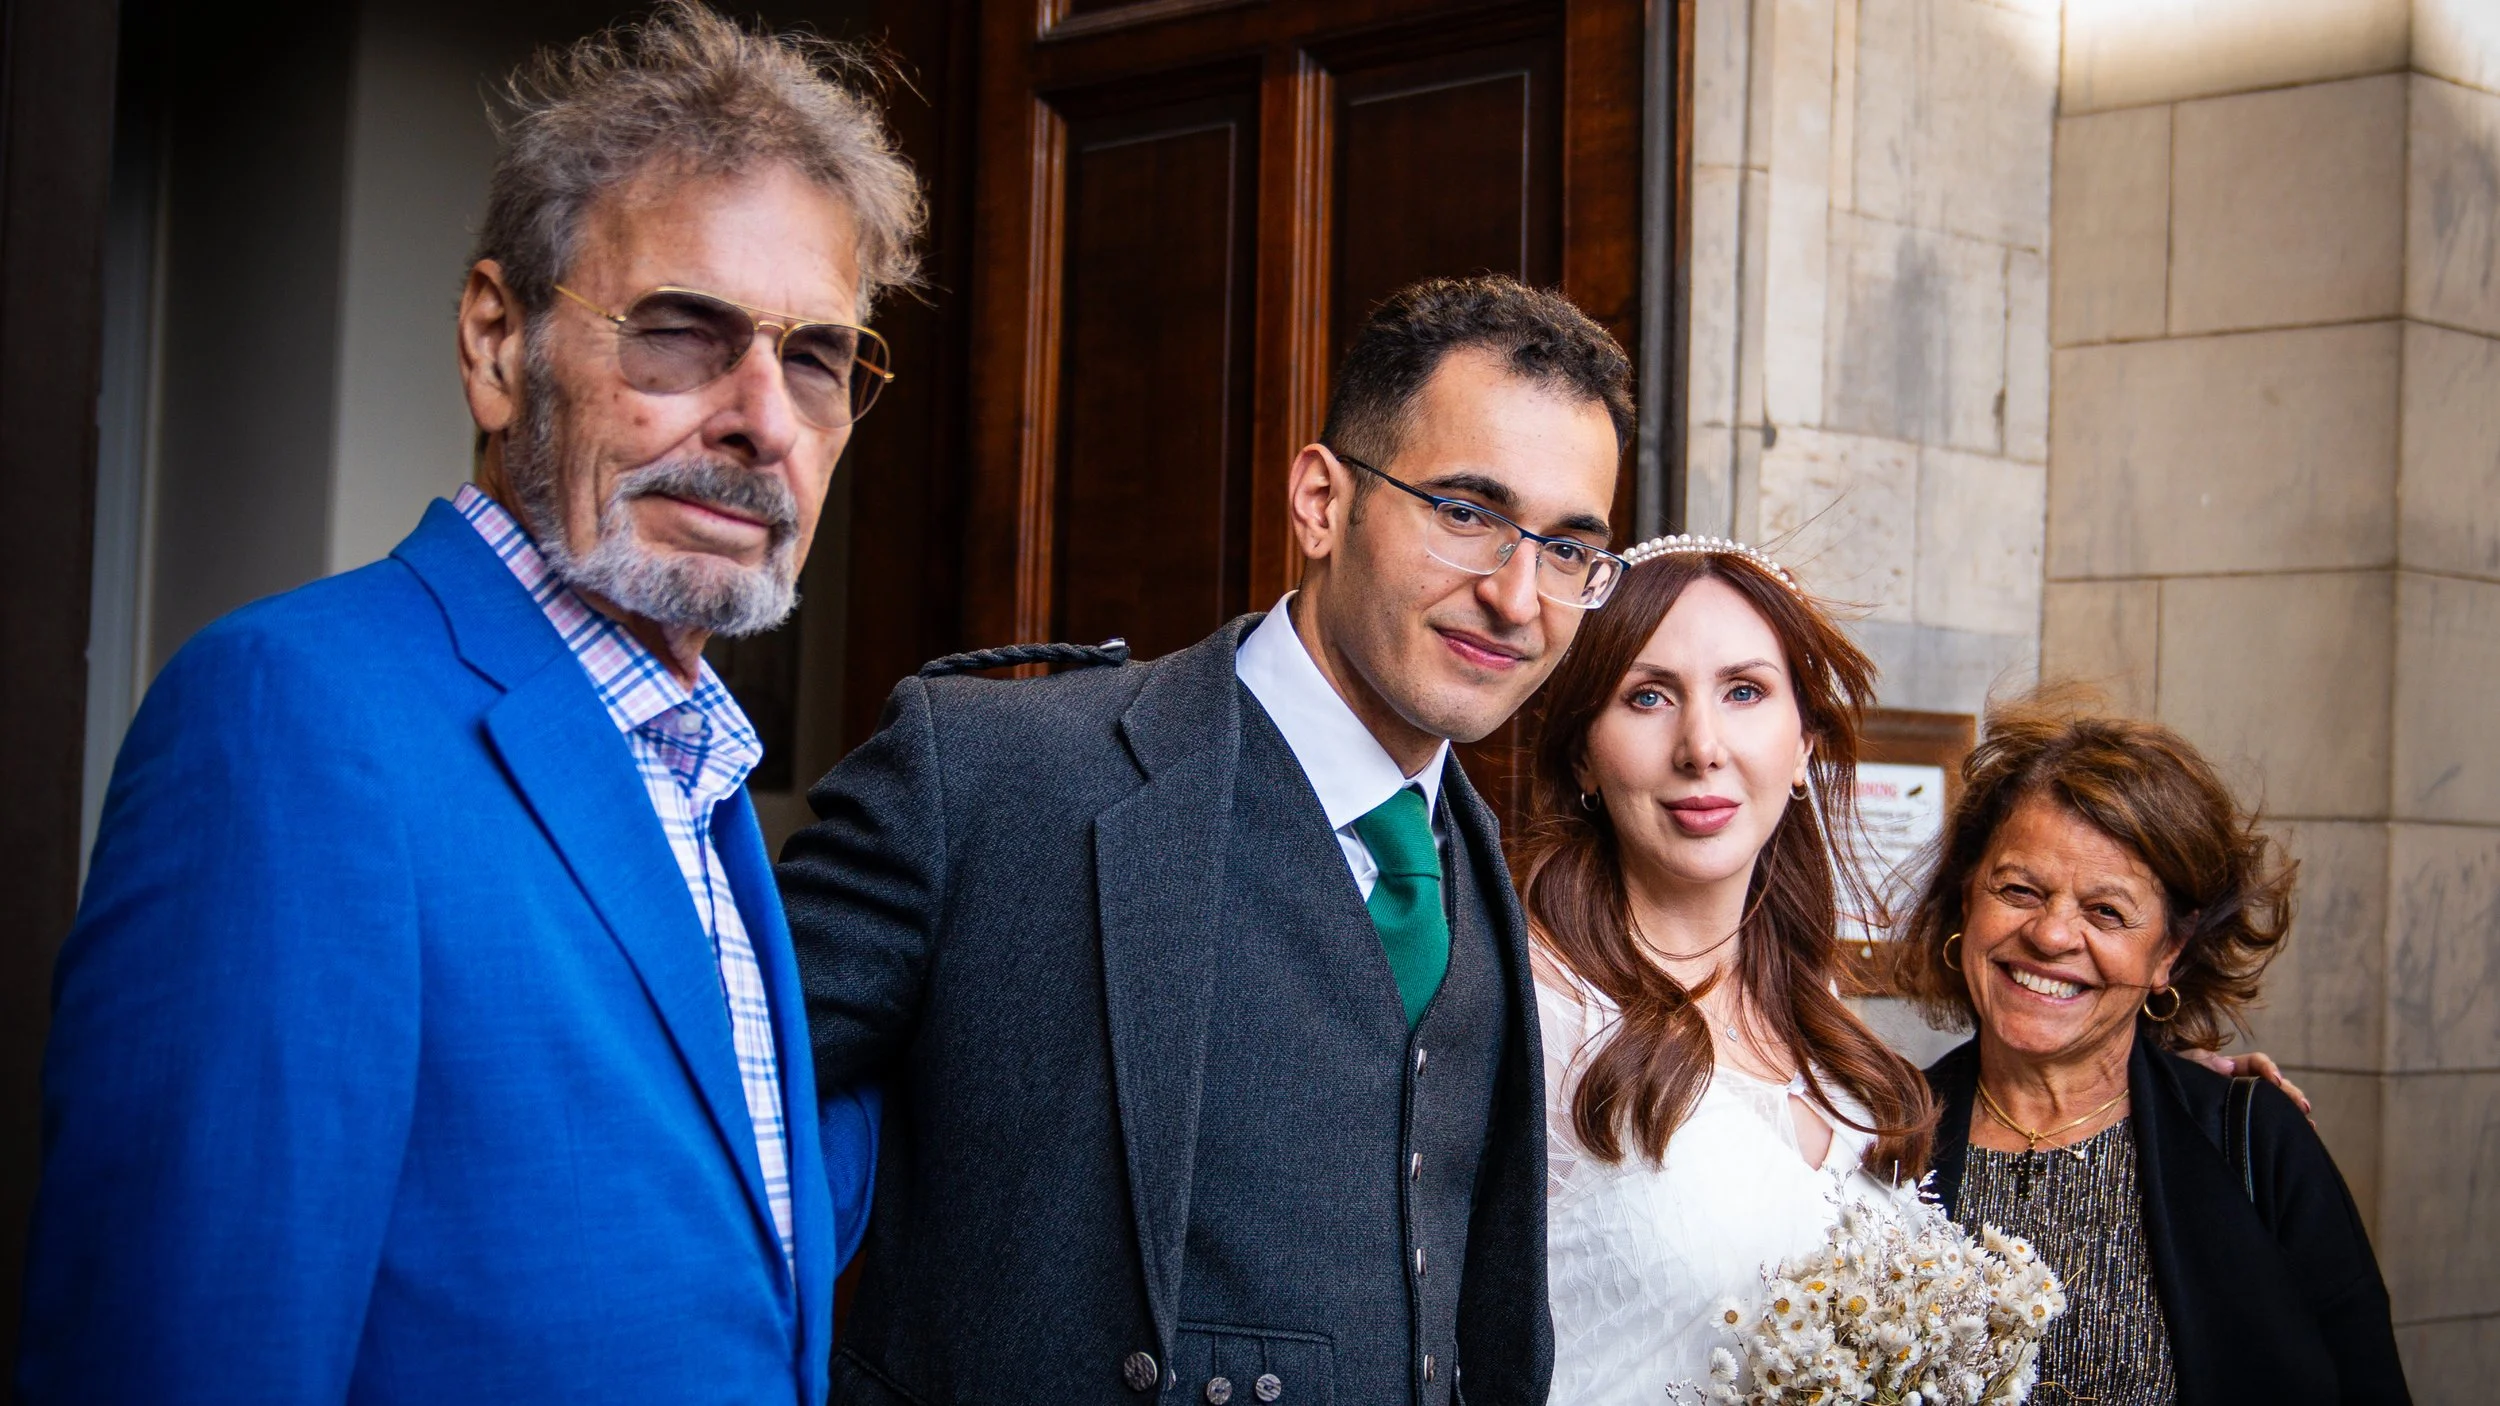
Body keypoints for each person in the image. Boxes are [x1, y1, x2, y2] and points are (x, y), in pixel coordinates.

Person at [17, 6, 921, 1401]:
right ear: (499, 345)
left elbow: (722, 1222)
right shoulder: (292, 722)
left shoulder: (694, 776)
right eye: (684, 332)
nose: (765, 418)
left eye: (815, 357)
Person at [777, 275, 1631, 1405]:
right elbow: (689, 1132)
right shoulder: (989, 773)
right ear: (1322, 502)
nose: (1520, 597)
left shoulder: (1476, 871)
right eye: (1466, 514)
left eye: (1569, 548)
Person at [1517, 537, 1940, 1402]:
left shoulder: (1818, 1010)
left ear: (1801, 745)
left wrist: (2158, 1083)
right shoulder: (1534, 1005)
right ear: (1582, 756)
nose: (1701, 745)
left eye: (1744, 691)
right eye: (1647, 697)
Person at [1896, 697, 2408, 1405]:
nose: (2050, 936)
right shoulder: (1880, 1141)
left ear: (2170, 950)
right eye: (2018, 890)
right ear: (1967, 904)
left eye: (2106, 911)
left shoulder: (2255, 1140)